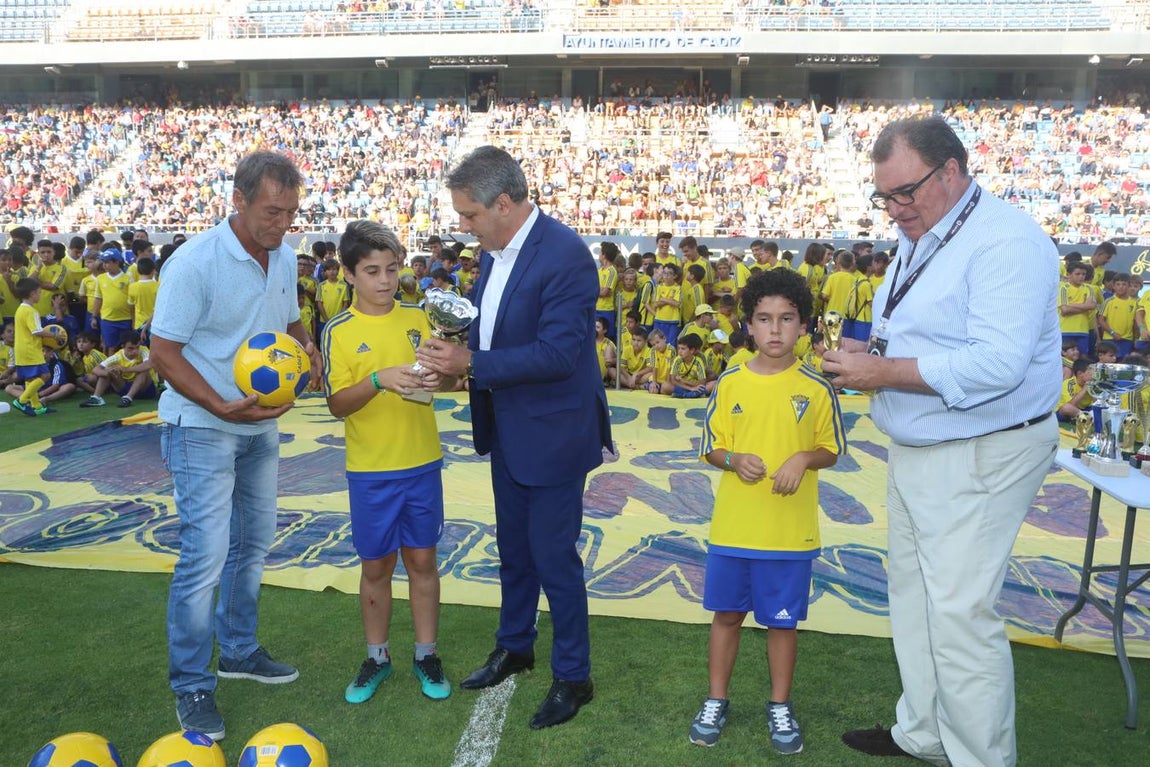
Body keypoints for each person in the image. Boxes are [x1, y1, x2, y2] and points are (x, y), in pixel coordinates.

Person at [823, 116, 1061, 767]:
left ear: (951, 171)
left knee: (958, 611)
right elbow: (922, 324)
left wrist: (883, 371)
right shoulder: (930, 228)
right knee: (916, 594)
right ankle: (924, 731)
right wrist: (866, 352)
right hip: (926, 446)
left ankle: (979, 756)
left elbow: (996, 365)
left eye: (906, 192)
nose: (895, 209)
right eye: (885, 197)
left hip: (982, 447)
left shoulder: (1006, 243)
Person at [414, 145, 613, 730]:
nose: (464, 227)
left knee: (554, 557)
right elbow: (491, 334)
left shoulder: (567, 255)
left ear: (505, 203)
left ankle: (574, 676)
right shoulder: (495, 251)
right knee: (515, 552)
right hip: (509, 429)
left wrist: (468, 363)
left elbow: (557, 354)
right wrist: (449, 363)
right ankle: (516, 645)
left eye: (470, 215)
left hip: (552, 434)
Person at [149, 151, 323, 742]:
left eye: (291, 213)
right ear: (239, 200)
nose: (282, 223)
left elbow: (289, 321)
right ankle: (191, 684)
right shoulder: (195, 262)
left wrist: (307, 349)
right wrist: (217, 404)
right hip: (202, 427)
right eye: (273, 211)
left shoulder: (285, 255)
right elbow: (163, 351)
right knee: (204, 557)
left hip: (260, 424)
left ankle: (240, 651)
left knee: (252, 546)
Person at [692, 268, 843, 754]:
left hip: (788, 532)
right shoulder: (731, 382)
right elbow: (711, 448)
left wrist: (803, 457)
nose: (775, 330)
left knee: (782, 622)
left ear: (804, 326)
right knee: (727, 616)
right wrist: (734, 461)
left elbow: (831, 449)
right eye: (764, 319)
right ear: (749, 326)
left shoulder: (818, 388)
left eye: (787, 319)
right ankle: (717, 698)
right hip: (735, 528)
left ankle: (780, 705)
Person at [322, 221, 453, 706]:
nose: (384, 280)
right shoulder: (340, 330)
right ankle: (377, 656)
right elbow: (337, 404)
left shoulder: (421, 318)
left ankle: (426, 653)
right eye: (372, 270)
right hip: (372, 471)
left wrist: (440, 380)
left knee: (423, 559)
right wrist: (378, 378)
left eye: (392, 269)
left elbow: (449, 383)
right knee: (375, 565)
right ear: (349, 275)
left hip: (421, 463)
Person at [10, 277, 55, 416]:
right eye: (39, 292)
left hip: (21, 348)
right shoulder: (31, 311)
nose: (40, 295)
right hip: (31, 349)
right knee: (45, 374)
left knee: (31, 378)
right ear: (32, 293)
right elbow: (37, 331)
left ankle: (37, 406)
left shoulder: (20, 309)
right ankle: (22, 400)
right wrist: (54, 335)